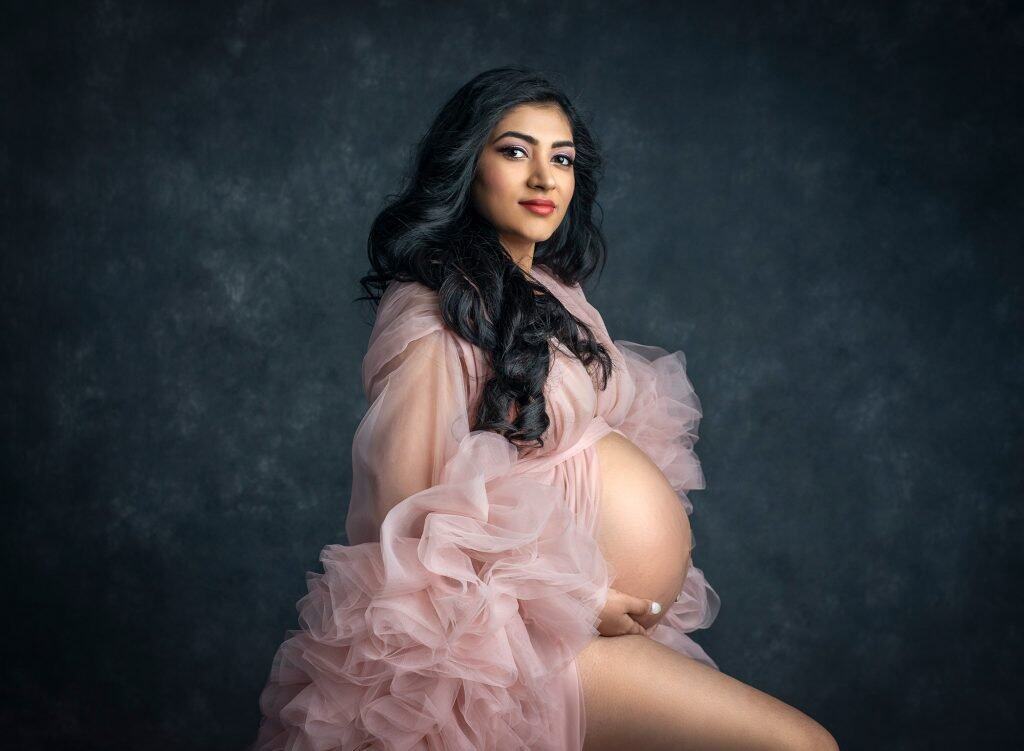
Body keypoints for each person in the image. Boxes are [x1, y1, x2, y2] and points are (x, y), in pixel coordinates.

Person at [251, 66, 838, 751]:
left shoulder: (552, 290)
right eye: (514, 151)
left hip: (567, 624)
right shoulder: (436, 308)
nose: (543, 177)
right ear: (467, 165)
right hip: (514, 644)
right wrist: (571, 597)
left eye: (560, 158)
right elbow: (398, 515)